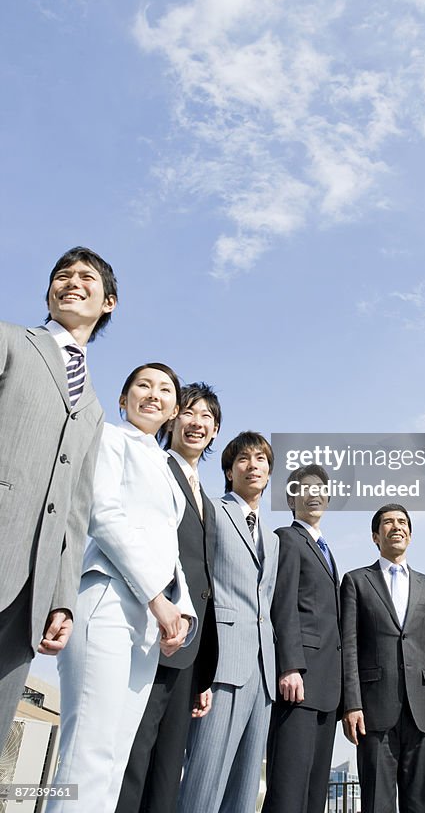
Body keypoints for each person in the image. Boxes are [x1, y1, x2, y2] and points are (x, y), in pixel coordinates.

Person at [47, 363, 196, 813]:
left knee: (115, 757)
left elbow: (170, 548)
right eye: (143, 386)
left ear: (173, 409)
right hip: (108, 599)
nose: (153, 394)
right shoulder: (110, 439)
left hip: (151, 623)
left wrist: (181, 609)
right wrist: (157, 598)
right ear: (123, 399)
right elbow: (104, 517)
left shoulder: (168, 470)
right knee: (87, 752)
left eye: (165, 389)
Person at [0, 246, 117, 751]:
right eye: (62, 275)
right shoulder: (9, 341)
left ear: (108, 302)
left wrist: (63, 599)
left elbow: (76, 510)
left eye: (86, 277)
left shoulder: (92, 403)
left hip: (30, 592)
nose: (71, 282)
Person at [116, 382, 222, 813]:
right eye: (190, 413)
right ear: (172, 416)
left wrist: (203, 672)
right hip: (151, 633)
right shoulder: (154, 466)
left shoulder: (208, 500)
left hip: (189, 650)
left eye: (207, 418)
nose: (197, 424)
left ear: (215, 432)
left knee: (167, 769)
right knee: (134, 758)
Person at [177, 431, 279, 813]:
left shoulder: (273, 537)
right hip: (220, 663)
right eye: (243, 459)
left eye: (261, 460)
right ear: (228, 470)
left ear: (269, 473)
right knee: (204, 776)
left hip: (262, 672)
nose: (253, 466)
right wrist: (198, 662)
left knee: (246, 785)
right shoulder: (212, 511)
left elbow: (264, 602)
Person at [341, 504, 425, 813]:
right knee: (377, 803)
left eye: (402, 522)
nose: (396, 527)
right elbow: (349, 647)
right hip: (374, 711)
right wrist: (352, 703)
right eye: (388, 523)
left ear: (411, 535)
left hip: (423, 709)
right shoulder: (356, 581)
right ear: (376, 536)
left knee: (422, 803)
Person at [262, 464, 342, 813]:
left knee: (314, 791)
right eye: (304, 488)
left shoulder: (325, 547)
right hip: (300, 681)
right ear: (291, 498)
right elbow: (283, 605)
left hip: (327, 688)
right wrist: (289, 666)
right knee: (288, 788)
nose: (314, 494)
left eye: (320, 489)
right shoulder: (287, 538)